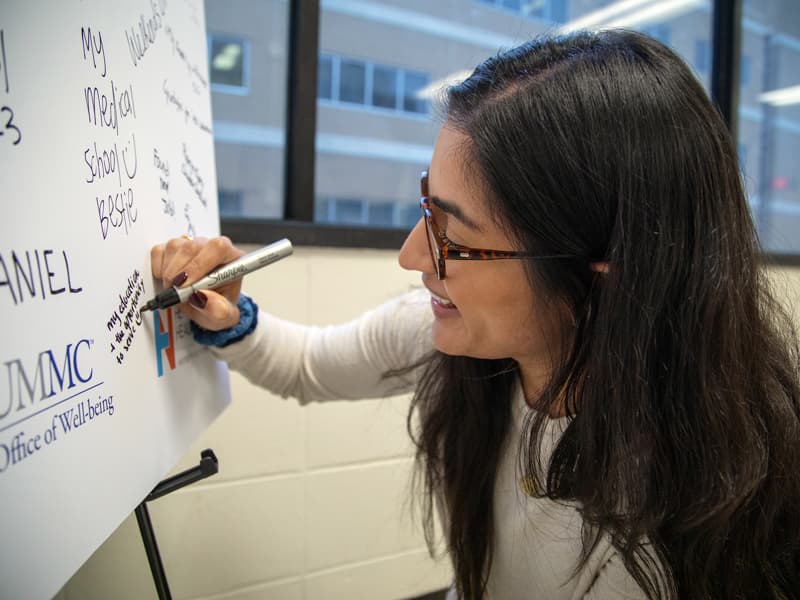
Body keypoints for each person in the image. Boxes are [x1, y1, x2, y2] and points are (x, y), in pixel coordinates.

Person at [151, 29, 800, 600]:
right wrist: (226, 316)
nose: (412, 256)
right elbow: (312, 364)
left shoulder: (732, 493)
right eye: (427, 207)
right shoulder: (449, 337)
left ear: (603, 263)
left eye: (453, 233)